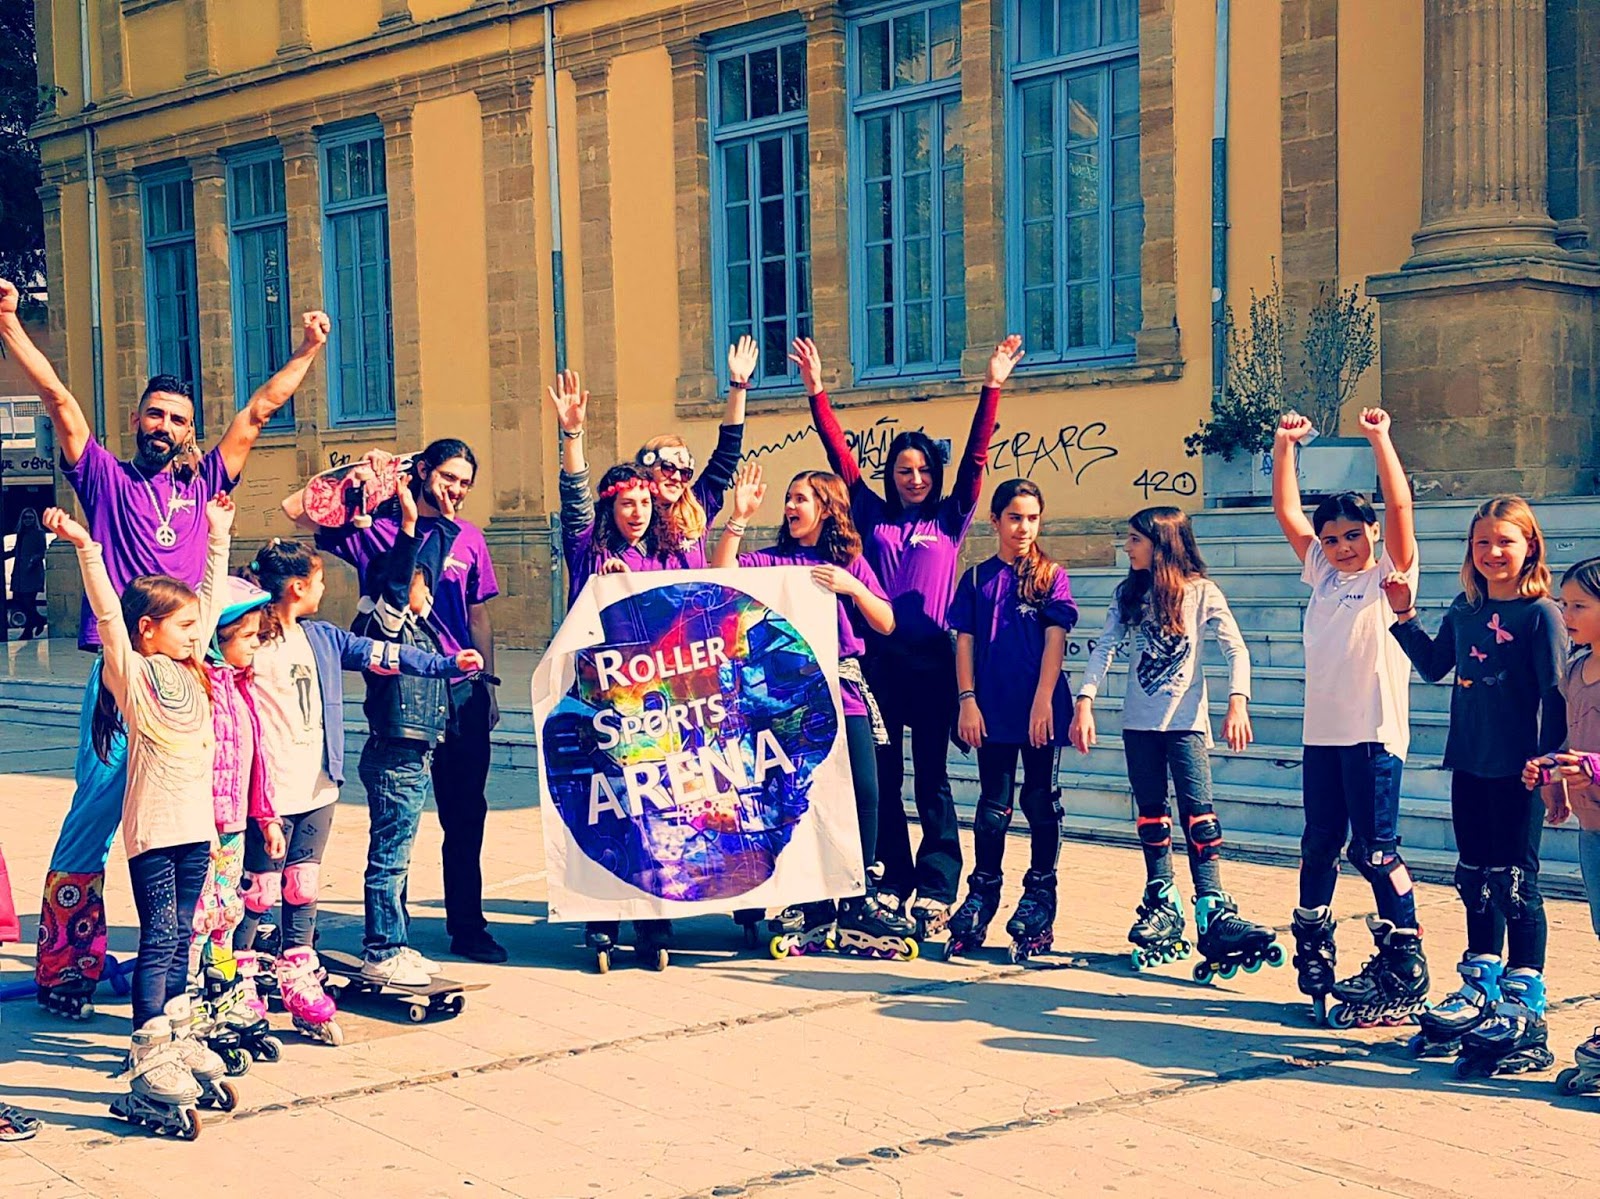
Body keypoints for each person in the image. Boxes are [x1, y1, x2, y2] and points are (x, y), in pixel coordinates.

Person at [0, 275, 329, 1017]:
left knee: (207, 825)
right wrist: (10, 325)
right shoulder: (107, 480)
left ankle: (202, 969)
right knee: (95, 811)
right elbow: (59, 402)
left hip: (196, 682)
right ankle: (65, 966)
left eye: (177, 418)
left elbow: (259, 410)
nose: (164, 425)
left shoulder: (207, 476)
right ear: (136, 418)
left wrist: (309, 347)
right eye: (154, 413)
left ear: (188, 429)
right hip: (122, 678)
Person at [797, 334, 1025, 936]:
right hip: (878, 664)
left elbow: (976, 460)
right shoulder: (872, 514)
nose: (915, 478)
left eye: (923, 470)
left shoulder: (950, 518)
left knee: (933, 776)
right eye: (904, 470)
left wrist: (992, 385)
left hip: (935, 663)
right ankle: (892, 876)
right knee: (886, 774)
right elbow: (840, 456)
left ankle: (936, 882)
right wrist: (817, 390)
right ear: (891, 476)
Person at [236, 539, 481, 1043]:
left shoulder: (322, 637)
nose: (326, 588)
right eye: (320, 580)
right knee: (259, 891)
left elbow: (385, 654)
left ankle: (298, 972)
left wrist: (447, 665)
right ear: (298, 586)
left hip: (317, 787)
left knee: (302, 887)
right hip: (270, 790)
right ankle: (237, 981)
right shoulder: (251, 643)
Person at [44, 498, 238, 1133]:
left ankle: (177, 1031)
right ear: (147, 630)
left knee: (183, 931)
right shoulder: (131, 673)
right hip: (154, 832)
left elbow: (208, 596)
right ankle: (148, 1051)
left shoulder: (197, 669)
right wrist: (84, 546)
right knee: (158, 934)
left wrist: (218, 533)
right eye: (180, 626)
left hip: (195, 833)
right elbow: (106, 609)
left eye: (194, 626)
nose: (194, 632)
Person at [283, 440, 505, 964]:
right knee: (398, 820)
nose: (457, 491)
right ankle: (389, 938)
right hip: (405, 693)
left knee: (466, 814)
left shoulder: (470, 538)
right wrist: (365, 471)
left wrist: (489, 684)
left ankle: (467, 926)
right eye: (449, 477)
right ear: (423, 470)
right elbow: (296, 509)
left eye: (465, 483)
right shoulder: (376, 530)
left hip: (463, 688)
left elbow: (479, 617)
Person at [1390, 496, 1567, 1075]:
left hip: (1521, 769)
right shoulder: (1465, 610)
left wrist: (1551, 766)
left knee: (1517, 881)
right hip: (1469, 762)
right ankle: (1480, 983)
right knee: (1475, 877)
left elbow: (1556, 697)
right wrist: (1403, 619)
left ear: (1530, 547)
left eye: (1505, 541)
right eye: (1482, 542)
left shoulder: (1541, 615)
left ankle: (1525, 1003)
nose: (1493, 552)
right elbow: (1436, 665)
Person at [713, 463, 917, 960]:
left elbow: (887, 622)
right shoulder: (774, 560)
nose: (790, 507)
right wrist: (738, 519)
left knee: (864, 790)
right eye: (788, 498)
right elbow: (722, 578)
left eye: (800, 498)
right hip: (788, 698)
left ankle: (856, 895)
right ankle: (808, 897)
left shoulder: (848, 561)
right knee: (794, 792)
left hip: (843, 687)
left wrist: (853, 587)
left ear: (826, 508)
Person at [1072, 507, 1279, 982]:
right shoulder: (1129, 594)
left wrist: (1238, 701)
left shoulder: (1202, 593)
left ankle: (1212, 906)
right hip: (1139, 726)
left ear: (1161, 543)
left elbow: (1236, 648)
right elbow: (1105, 646)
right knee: (1151, 815)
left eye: (1134, 540)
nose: (1127, 548)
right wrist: (1085, 700)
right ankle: (1162, 899)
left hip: (1186, 725)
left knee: (1199, 814)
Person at [1271, 408, 1428, 1027]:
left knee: (1376, 850)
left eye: (1352, 536)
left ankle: (1405, 961)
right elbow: (1287, 513)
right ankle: (1314, 946)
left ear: (1371, 535)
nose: (1341, 547)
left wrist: (1380, 438)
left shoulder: (1390, 575)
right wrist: (1284, 446)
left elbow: (1401, 509)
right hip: (1324, 738)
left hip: (1373, 737)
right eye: (1332, 538)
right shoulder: (1321, 574)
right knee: (1319, 847)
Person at [550, 369, 681, 968]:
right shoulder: (588, 551)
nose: (638, 512)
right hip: (599, 703)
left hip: (656, 703)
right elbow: (575, 497)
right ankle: (602, 922)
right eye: (627, 503)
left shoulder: (665, 556)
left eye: (645, 503)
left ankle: (655, 920)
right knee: (606, 805)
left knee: (655, 806)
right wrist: (572, 434)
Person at [944, 479, 1077, 963]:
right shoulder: (977, 579)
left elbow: (1055, 639)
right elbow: (965, 642)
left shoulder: (1051, 575)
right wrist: (967, 700)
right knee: (992, 806)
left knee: (1040, 801)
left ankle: (1040, 895)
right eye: (1015, 517)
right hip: (991, 709)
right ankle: (983, 892)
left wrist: (1044, 700)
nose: (1024, 527)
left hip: (1038, 708)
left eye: (1033, 518)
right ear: (995, 521)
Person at [351, 478, 468, 985]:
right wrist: (407, 528)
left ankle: (395, 941)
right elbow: (401, 583)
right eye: (423, 583)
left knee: (398, 855)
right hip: (395, 756)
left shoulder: (420, 626)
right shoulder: (387, 623)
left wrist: (439, 521)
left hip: (413, 754)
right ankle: (383, 948)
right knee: (390, 859)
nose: (429, 587)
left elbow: (429, 567)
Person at [189, 577, 286, 1073]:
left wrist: (265, 815)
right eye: (247, 638)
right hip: (199, 831)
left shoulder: (241, 688)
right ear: (217, 637)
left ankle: (221, 996)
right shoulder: (200, 688)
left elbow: (255, 761)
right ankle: (189, 1004)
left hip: (234, 827)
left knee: (226, 912)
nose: (255, 648)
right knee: (200, 919)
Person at [1525, 556, 1600, 1092]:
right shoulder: (1575, 669)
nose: (1565, 613)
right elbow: (1573, 742)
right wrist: (1551, 768)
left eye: (1578, 605)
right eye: (1564, 602)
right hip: (1592, 826)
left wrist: (1591, 766)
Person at [631, 335, 757, 563]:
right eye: (668, 468)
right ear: (647, 467)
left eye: (685, 473)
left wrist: (738, 386)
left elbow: (726, 456)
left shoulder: (697, 506)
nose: (677, 478)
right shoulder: (632, 516)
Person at [7, 508, 48, 639]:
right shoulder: (21, 533)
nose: (28, 520)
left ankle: (29, 630)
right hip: (19, 573)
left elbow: (42, 551)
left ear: (34, 518)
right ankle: (38, 621)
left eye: (30, 517)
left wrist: (33, 560)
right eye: (25, 518)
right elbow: (16, 551)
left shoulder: (39, 533)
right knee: (19, 602)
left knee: (28, 601)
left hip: (32, 573)